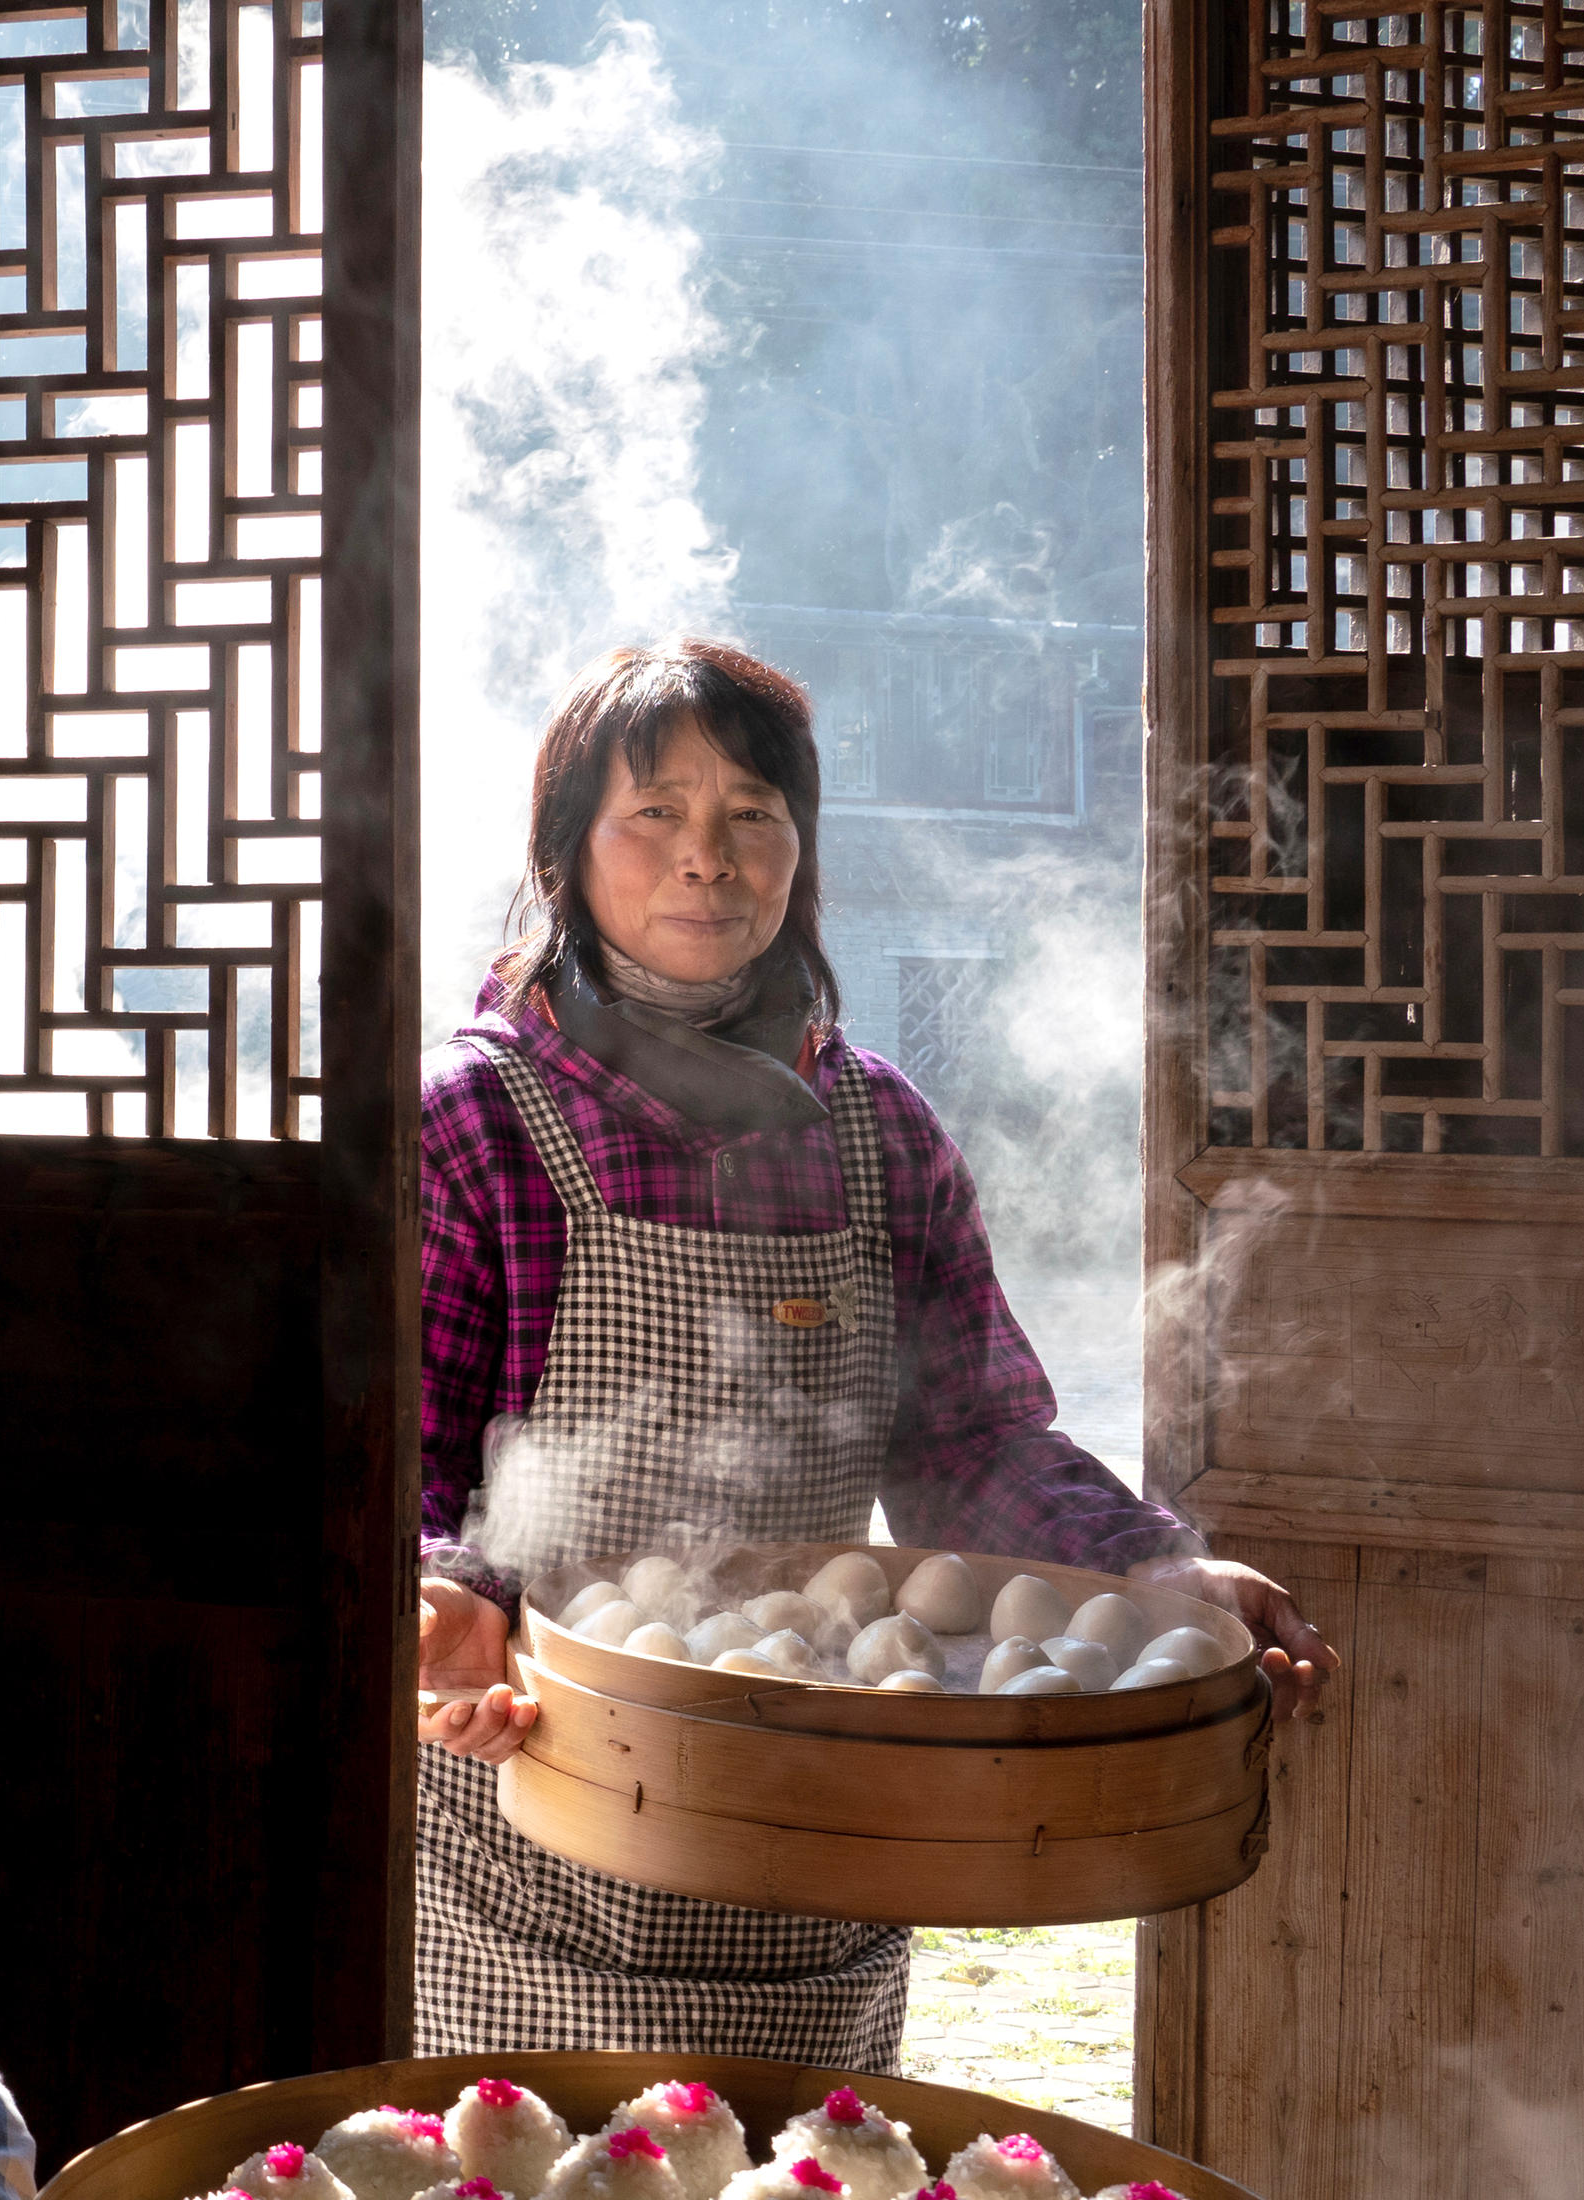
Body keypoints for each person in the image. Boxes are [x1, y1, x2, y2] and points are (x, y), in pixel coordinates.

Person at [412, 636, 1334, 2065]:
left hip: (812, 1851)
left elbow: (969, 1441)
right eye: (654, 812)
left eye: (754, 814)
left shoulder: (878, 1134)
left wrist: (1156, 1570)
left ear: (801, 852)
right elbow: (401, 1461)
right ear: (566, 850)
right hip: (535, 1832)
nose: (705, 858)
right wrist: (437, 1608)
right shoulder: (471, 1124)